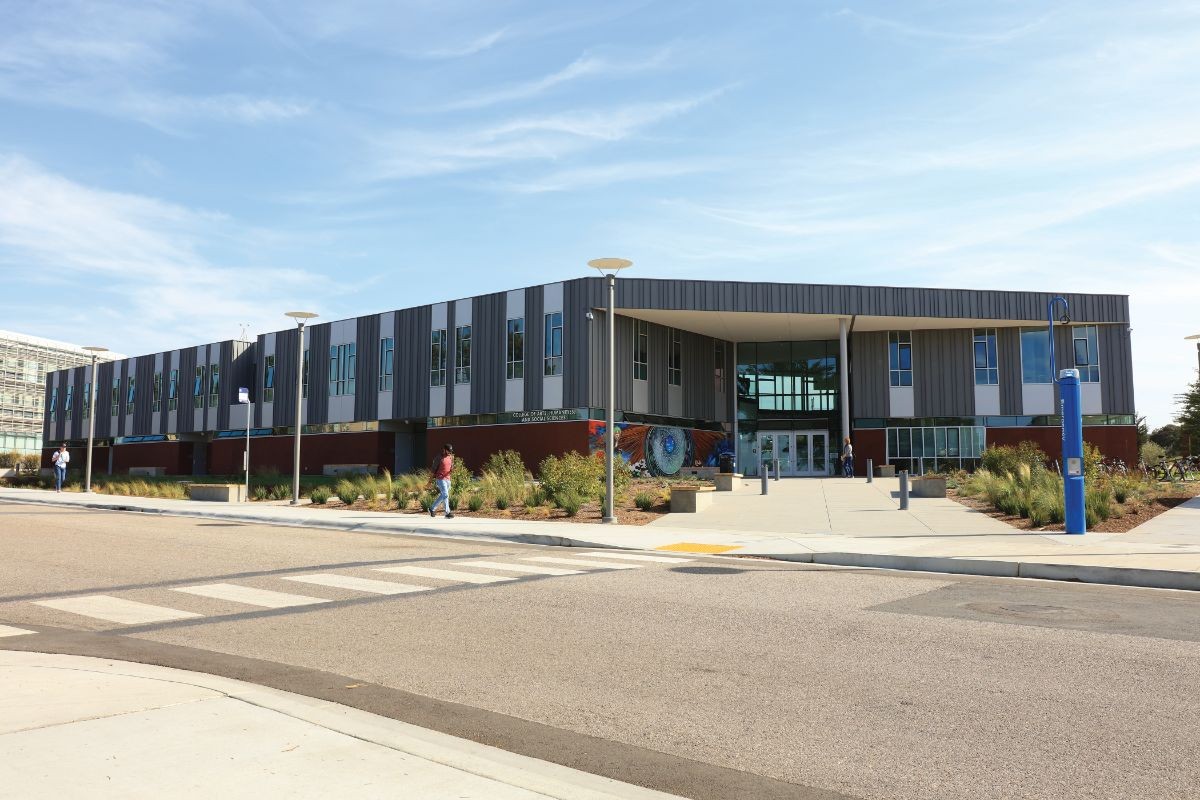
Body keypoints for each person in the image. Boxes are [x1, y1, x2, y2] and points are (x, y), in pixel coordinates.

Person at [430, 443, 455, 519]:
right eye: (448, 451)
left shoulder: (451, 457)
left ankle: (432, 508)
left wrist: (452, 469)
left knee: (443, 495)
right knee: (446, 494)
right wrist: (429, 481)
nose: (449, 452)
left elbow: (451, 467)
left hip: (448, 479)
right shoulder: (439, 457)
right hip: (440, 479)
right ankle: (447, 513)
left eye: (450, 451)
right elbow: (433, 470)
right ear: (444, 450)